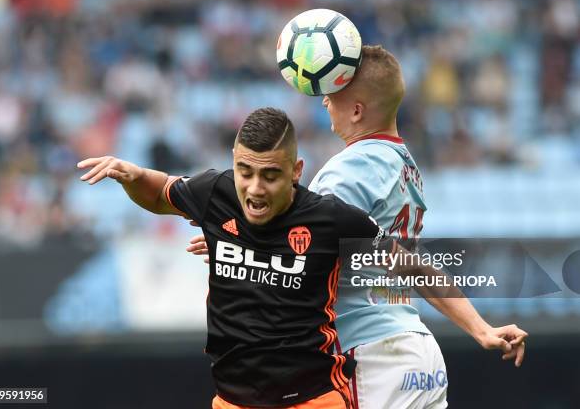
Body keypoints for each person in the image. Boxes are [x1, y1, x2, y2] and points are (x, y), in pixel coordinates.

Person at [187, 46, 528, 409]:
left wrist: (238, 242)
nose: (324, 104)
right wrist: (481, 329)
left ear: (356, 110)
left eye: (332, 95)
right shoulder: (404, 166)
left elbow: (302, 243)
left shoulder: (349, 169)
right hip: (418, 352)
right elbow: (414, 267)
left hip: (369, 358)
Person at [77, 107, 392, 409]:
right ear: (234, 162)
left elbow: (409, 265)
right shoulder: (217, 193)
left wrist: (400, 319)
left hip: (313, 399)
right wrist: (135, 177)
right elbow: (159, 193)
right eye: (246, 172)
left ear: (296, 171)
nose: (255, 189)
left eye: (270, 175)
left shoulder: (330, 218)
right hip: (232, 401)